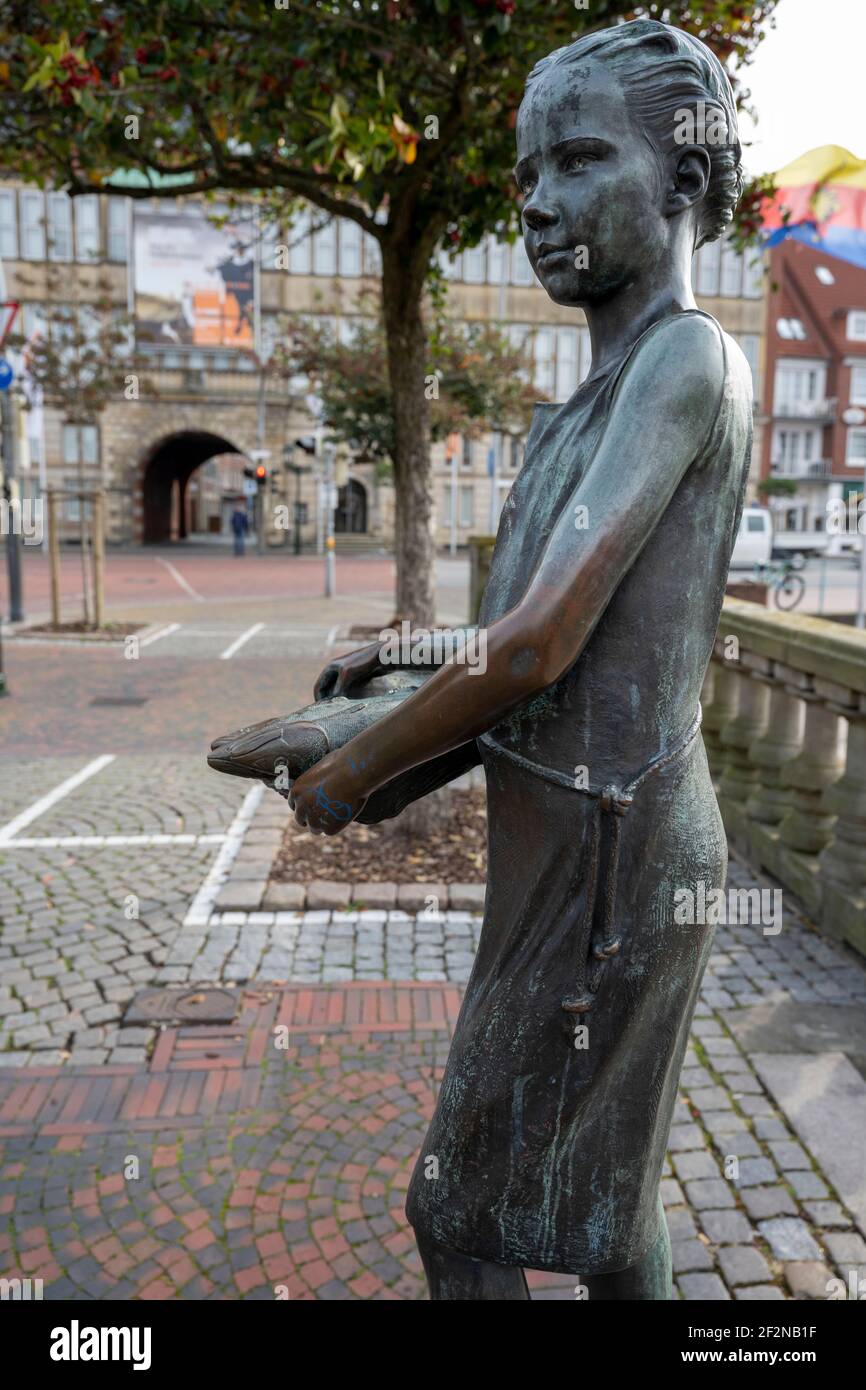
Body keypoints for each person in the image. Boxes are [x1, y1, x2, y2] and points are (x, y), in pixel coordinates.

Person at [209, 18, 752, 1300]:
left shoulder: (683, 359)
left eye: (574, 161)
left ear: (681, 180)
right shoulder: (587, 401)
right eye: (523, 179)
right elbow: (520, 640)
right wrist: (397, 675)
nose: (538, 205)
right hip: (584, 839)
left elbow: (535, 647)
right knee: (606, 1210)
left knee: (455, 1203)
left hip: (613, 856)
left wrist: (355, 775)